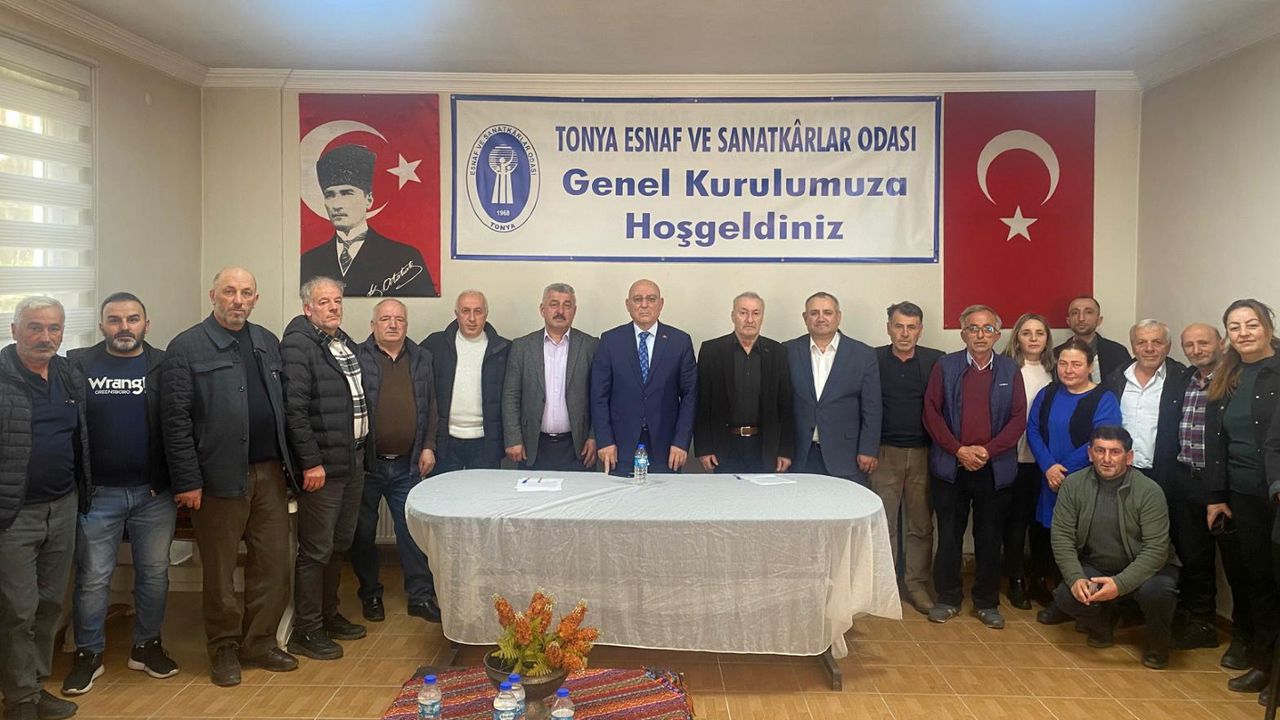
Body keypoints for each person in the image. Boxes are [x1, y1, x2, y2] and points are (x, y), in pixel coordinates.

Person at [163, 267, 299, 687]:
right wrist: (187, 480)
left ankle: (259, 642)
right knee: (220, 572)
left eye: (246, 293)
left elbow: (284, 407)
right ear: (213, 296)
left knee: (273, 564)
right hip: (217, 477)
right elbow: (175, 421)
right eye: (229, 292)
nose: (238, 300)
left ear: (255, 299)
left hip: (270, 474)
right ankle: (223, 647)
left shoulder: (266, 341)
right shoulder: (186, 347)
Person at [62, 293, 176, 697]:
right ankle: (88, 654)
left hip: (154, 493)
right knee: (93, 577)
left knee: (155, 574)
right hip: (98, 495)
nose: (123, 327)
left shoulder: (164, 365)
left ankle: (147, 646)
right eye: (114, 319)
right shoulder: (77, 365)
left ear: (146, 324)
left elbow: (180, 423)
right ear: (101, 326)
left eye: (132, 319)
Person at [0, 297, 89, 720]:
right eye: (35, 327)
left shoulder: (68, 375)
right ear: (14, 330)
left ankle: (35, 687)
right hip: (13, 514)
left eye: (53, 328)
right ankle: (20, 700)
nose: (45, 337)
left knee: (51, 603)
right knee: (18, 610)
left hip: (63, 505)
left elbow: (80, 437)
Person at [1037, 426, 1180, 670]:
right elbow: (1062, 538)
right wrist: (1075, 578)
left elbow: (1156, 550)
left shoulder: (1149, 491)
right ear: (1089, 453)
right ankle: (1104, 624)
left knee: (1159, 592)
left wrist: (1120, 584)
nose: (1106, 458)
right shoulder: (1073, 485)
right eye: (1100, 450)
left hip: (1149, 571)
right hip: (1098, 568)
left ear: (1129, 457)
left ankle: (1157, 645)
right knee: (1066, 595)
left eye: (1115, 452)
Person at [281, 276, 370, 661]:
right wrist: (311, 462)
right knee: (316, 550)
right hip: (323, 469)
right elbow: (295, 411)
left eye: (337, 301)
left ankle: (328, 615)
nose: (333, 307)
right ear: (307, 308)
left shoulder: (341, 341)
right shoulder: (298, 345)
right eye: (324, 302)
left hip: (352, 460)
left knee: (339, 545)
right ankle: (307, 629)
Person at [922, 304, 1026, 629]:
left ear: (997, 334)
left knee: (989, 537)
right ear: (963, 333)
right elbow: (931, 413)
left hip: (994, 468)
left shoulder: (1010, 369)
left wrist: (986, 451)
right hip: (950, 466)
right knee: (949, 537)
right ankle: (948, 598)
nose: (980, 335)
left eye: (987, 329)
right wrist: (959, 450)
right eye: (973, 328)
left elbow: (1018, 418)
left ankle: (986, 602)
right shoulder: (945, 365)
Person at [1205, 299, 1280, 701]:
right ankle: (1264, 664)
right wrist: (1217, 496)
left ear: (1268, 326)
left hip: (1277, 493)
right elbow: (1215, 442)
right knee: (1258, 580)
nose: (1244, 332)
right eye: (1235, 327)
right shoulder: (1226, 375)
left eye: (1252, 324)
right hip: (1242, 494)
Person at [350, 299, 441, 625]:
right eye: (385, 318)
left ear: (406, 324)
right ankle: (370, 594)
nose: (392, 324)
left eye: (399, 319)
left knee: (413, 534)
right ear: (373, 324)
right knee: (362, 534)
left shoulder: (422, 357)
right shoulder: (356, 356)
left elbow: (431, 406)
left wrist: (428, 446)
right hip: (367, 465)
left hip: (408, 464)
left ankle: (420, 597)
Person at [1169, 323, 1250, 663]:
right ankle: (1201, 623)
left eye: (1203, 342)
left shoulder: (1235, 381)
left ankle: (1246, 637)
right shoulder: (1184, 381)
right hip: (1187, 480)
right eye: (1189, 345)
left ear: (1220, 342)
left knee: (1237, 564)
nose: (1196, 350)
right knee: (1194, 557)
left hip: (1225, 486)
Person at [1027, 338, 1123, 608]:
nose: (1068, 370)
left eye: (1076, 364)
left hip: (1083, 480)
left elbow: (1101, 438)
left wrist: (1064, 470)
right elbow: (1033, 430)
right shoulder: (1047, 393)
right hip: (1048, 478)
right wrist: (1049, 466)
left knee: (1078, 537)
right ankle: (1046, 590)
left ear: (1090, 367)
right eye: (1063, 364)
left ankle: (1077, 600)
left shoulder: (1104, 398)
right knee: (1045, 533)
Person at [869, 301, 942, 614]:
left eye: (911, 327)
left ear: (920, 330)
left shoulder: (935, 361)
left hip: (924, 454)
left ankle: (916, 584)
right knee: (882, 523)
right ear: (888, 328)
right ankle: (882, 585)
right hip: (884, 454)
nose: (904, 333)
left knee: (920, 525)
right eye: (898, 326)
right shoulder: (872, 360)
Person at [299, 143, 437, 298]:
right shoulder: (309, 261)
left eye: (347, 193)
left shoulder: (405, 258)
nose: (336, 205)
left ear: (369, 200)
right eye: (329, 195)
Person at [591, 279, 698, 476]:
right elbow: (599, 396)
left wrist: (681, 442)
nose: (644, 305)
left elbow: (690, 396)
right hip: (619, 447)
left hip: (667, 448)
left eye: (651, 299)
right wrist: (605, 441)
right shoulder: (610, 341)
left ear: (661, 303)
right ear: (627, 304)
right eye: (637, 299)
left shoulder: (679, 341)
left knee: (665, 495)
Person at [785, 292, 882, 484]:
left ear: (838, 316)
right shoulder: (787, 351)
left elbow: (872, 408)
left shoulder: (863, 354)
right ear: (805, 318)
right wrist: (781, 450)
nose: (821, 318)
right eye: (814, 313)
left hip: (846, 455)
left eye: (827, 312)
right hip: (799, 455)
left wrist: (868, 449)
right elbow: (780, 406)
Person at [694, 292, 794, 474]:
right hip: (724, 447)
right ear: (733, 316)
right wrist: (704, 448)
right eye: (743, 313)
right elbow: (702, 402)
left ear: (762, 317)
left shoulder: (778, 352)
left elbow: (786, 405)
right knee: (726, 493)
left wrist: (785, 451)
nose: (749, 319)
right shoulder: (711, 351)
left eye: (756, 313)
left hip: (765, 448)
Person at [503, 284, 599, 472]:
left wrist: (595, 436)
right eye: (554, 304)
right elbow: (510, 396)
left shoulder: (590, 346)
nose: (560, 311)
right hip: (533, 446)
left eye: (567, 305)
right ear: (542, 309)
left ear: (574, 311)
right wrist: (513, 438)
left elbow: (600, 397)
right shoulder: (522, 347)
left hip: (578, 447)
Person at [1001, 313, 1055, 608]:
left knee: (1041, 523)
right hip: (1013, 457)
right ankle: (1016, 579)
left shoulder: (1056, 371)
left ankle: (1039, 579)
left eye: (1039, 333)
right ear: (1016, 338)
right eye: (1026, 333)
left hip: (1045, 460)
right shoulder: (1005, 368)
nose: (1033, 338)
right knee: (1015, 521)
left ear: (1047, 338)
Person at [424, 290, 510, 473]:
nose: (472, 318)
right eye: (465, 311)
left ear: (486, 314)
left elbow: (513, 399)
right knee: (445, 490)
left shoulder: (503, 349)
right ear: (456, 314)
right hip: (445, 442)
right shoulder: (435, 345)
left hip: (486, 443)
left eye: (478, 311)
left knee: (482, 491)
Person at [1103, 320, 1187, 484]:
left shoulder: (1181, 379)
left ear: (1168, 346)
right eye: (1141, 342)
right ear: (1133, 347)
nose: (1149, 349)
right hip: (1119, 470)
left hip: (1164, 474)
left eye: (1157, 342)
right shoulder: (1115, 378)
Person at [1055, 296, 1132, 382]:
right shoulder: (1056, 354)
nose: (1081, 318)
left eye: (1088, 312)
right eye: (1075, 313)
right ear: (1068, 321)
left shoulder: (1118, 352)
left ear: (1099, 320)